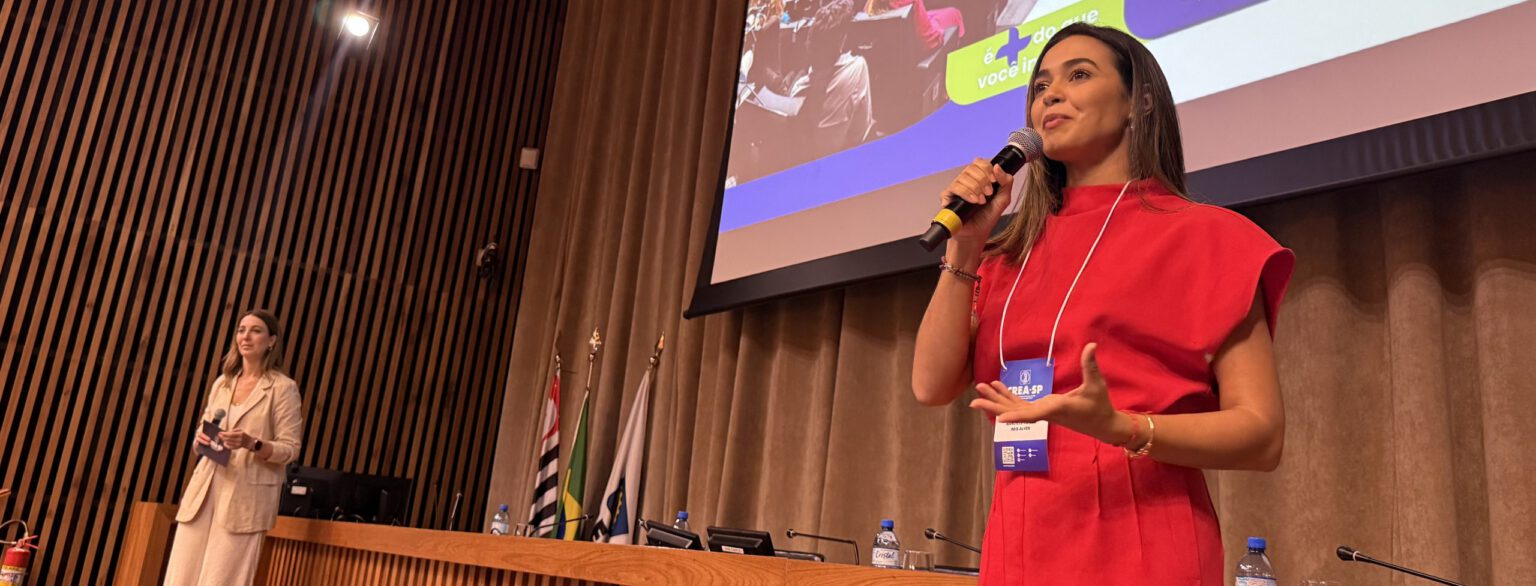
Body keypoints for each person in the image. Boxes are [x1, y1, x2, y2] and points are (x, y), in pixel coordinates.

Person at [912, 23, 1293, 584]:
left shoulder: (1208, 236)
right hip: (1019, 539)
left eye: (1079, 75)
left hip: (1141, 538)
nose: (1051, 96)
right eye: (1041, 86)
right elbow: (930, 385)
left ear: (1140, 101)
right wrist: (965, 246)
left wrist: (1123, 427)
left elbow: (1262, 436)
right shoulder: (1007, 254)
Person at [164, 309, 304, 586]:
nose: (246, 337)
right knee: (180, 577)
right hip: (204, 492)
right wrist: (199, 440)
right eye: (242, 330)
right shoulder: (223, 383)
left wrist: (252, 443)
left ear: (271, 341)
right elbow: (203, 432)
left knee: (222, 580)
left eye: (255, 330)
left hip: (245, 500)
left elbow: (290, 449)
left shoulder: (283, 388)